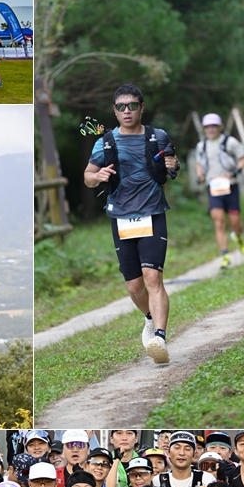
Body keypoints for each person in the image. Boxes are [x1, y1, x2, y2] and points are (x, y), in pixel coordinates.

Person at [83, 84, 180, 363]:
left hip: (152, 212)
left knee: (153, 277)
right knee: (135, 288)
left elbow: (173, 164)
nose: (127, 111)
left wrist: (174, 165)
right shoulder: (105, 142)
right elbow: (88, 177)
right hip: (121, 217)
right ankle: (150, 318)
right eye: (121, 107)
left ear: (141, 107)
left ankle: (159, 337)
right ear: (114, 110)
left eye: (133, 105)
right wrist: (98, 176)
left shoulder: (158, 137)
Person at [193, 113, 244, 269]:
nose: (211, 129)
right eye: (208, 127)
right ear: (204, 129)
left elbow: (243, 158)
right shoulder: (201, 146)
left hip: (230, 186)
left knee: (235, 223)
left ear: (219, 127)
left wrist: (236, 171)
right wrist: (200, 176)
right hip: (213, 188)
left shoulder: (230, 142)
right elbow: (199, 164)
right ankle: (225, 255)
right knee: (218, 222)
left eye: (213, 126)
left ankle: (238, 236)